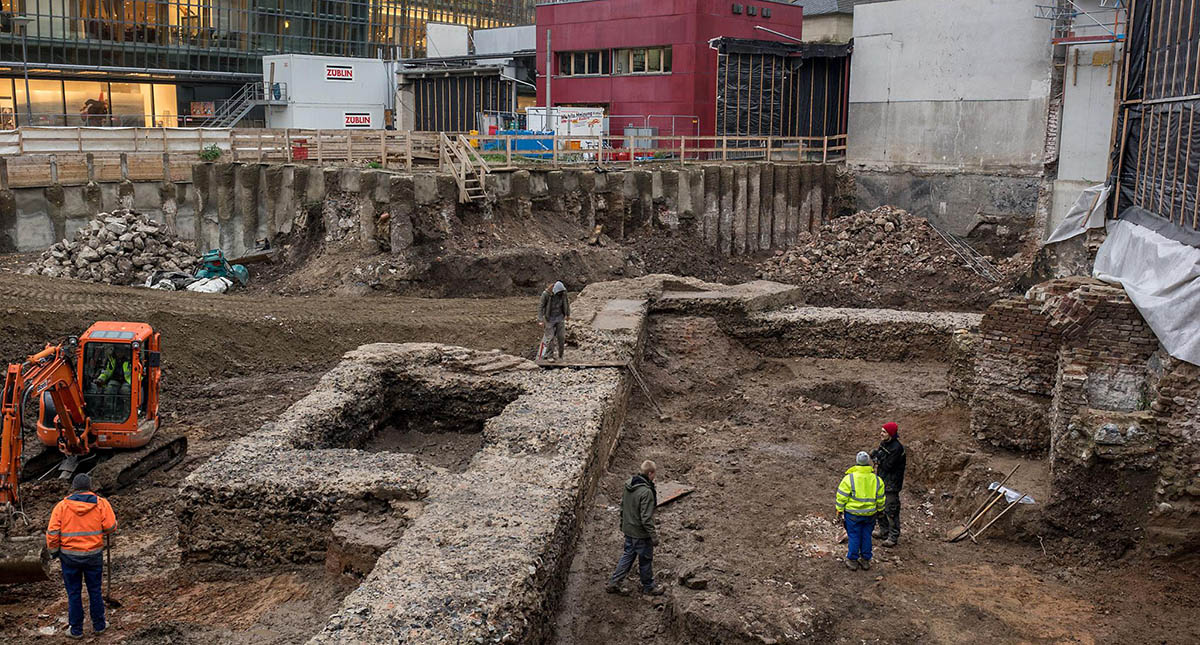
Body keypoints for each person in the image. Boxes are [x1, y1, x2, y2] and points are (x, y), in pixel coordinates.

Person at [46, 473, 117, 639]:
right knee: (94, 590)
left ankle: (76, 630)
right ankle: (99, 625)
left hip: (69, 558)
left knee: (73, 593)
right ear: (90, 487)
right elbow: (110, 527)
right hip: (93, 555)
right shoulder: (101, 504)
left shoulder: (61, 507)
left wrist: (54, 551)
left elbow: (52, 533)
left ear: (74, 488)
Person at [606, 460, 665, 595]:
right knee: (645, 560)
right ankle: (649, 587)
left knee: (628, 555)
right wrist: (653, 536)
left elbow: (623, 506)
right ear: (650, 473)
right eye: (654, 473)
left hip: (629, 529)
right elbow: (646, 518)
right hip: (640, 533)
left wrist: (623, 524)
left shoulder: (629, 484)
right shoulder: (646, 492)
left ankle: (615, 582)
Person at [835, 451, 885, 571]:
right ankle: (865, 559)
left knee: (854, 535)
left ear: (857, 462)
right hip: (870, 514)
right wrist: (880, 510)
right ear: (868, 463)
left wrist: (839, 510)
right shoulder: (877, 480)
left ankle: (852, 559)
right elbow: (880, 498)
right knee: (866, 535)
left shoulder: (849, 479)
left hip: (853, 514)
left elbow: (842, 496)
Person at [871, 421, 907, 547]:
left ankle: (893, 536)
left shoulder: (897, 448)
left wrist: (878, 459)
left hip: (892, 483)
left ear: (890, 434)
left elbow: (888, 466)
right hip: (882, 480)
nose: (881, 434)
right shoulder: (884, 444)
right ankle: (884, 530)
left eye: (884, 432)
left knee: (891, 510)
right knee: (880, 507)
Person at [537, 281, 570, 362]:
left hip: (560, 318)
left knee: (561, 337)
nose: (560, 294)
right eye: (559, 292)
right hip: (549, 319)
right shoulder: (546, 294)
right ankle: (549, 355)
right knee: (550, 338)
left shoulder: (563, 293)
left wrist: (567, 314)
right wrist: (540, 319)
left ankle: (560, 355)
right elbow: (541, 307)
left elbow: (566, 303)